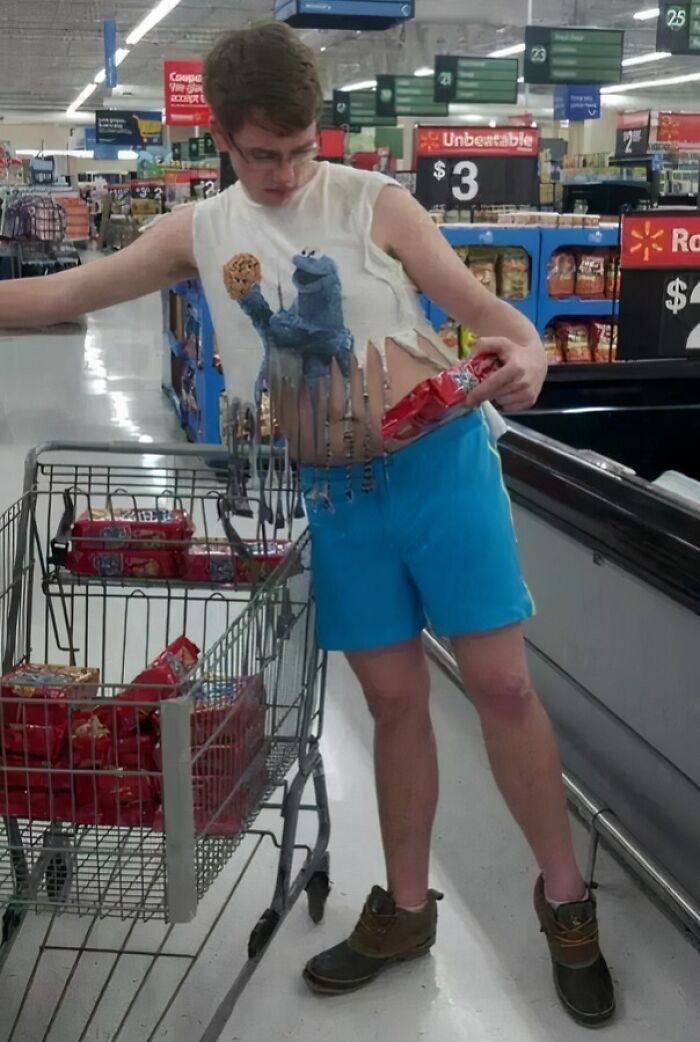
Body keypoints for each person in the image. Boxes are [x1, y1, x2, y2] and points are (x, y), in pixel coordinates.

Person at [0, 23, 615, 1028]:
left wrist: (531, 356)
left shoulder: (376, 203)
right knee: (393, 701)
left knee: (502, 685)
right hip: (335, 498)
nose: (284, 173)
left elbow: (497, 320)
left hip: (440, 467)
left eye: (297, 149)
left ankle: (565, 900)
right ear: (220, 142)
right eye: (260, 155)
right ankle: (406, 910)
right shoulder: (197, 230)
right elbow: (63, 291)